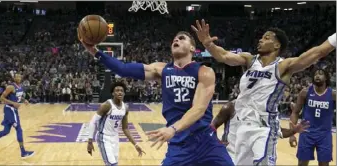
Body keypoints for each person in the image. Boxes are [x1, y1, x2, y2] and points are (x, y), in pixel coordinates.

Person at [191, 19, 336, 165]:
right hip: (242, 126)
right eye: (261, 37)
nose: (260, 40)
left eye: (266, 38)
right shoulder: (249, 59)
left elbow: (318, 52)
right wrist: (208, 44)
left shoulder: (283, 65)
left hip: (264, 128)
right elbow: (223, 56)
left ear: (277, 45)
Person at [80, 31, 234, 166]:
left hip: (205, 141)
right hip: (179, 143)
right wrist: (94, 51)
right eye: (174, 39)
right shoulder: (162, 70)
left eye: (181, 38)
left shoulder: (204, 71)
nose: (176, 40)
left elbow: (199, 109)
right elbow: (123, 69)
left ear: (192, 48)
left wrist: (172, 129)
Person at [211, 100, 310, 163]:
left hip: (250, 159)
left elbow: (277, 131)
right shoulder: (231, 107)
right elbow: (211, 128)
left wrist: (293, 131)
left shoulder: (265, 112)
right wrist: (217, 143)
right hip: (230, 157)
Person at [87, 82, 145, 165]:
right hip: (104, 137)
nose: (120, 92)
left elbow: (125, 128)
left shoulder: (125, 108)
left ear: (124, 93)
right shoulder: (107, 105)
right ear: (113, 93)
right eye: (117, 90)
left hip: (115, 138)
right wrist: (90, 141)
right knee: (112, 164)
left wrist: (135, 144)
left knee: (114, 163)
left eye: (122, 90)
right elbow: (93, 121)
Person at [289, 68, 336, 166]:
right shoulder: (305, 92)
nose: (317, 76)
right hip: (306, 133)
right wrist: (292, 134)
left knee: (324, 164)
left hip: (324, 135)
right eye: (315, 74)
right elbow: (295, 112)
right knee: (302, 164)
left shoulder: (332, 94)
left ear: (326, 78)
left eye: (321, 74)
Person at [0, 73, 35, 158]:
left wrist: (24, 100)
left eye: (19, 76)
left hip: (13, 110)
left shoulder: (20, 86)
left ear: (21, 78)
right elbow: (1, 98)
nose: (18, 77)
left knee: (6, 131)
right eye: (16, 76)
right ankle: (23, 152)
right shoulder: (11, 87)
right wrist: (13, 103)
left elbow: (18, 97)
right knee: (19, 129)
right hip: (9, 109)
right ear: (14, 78)